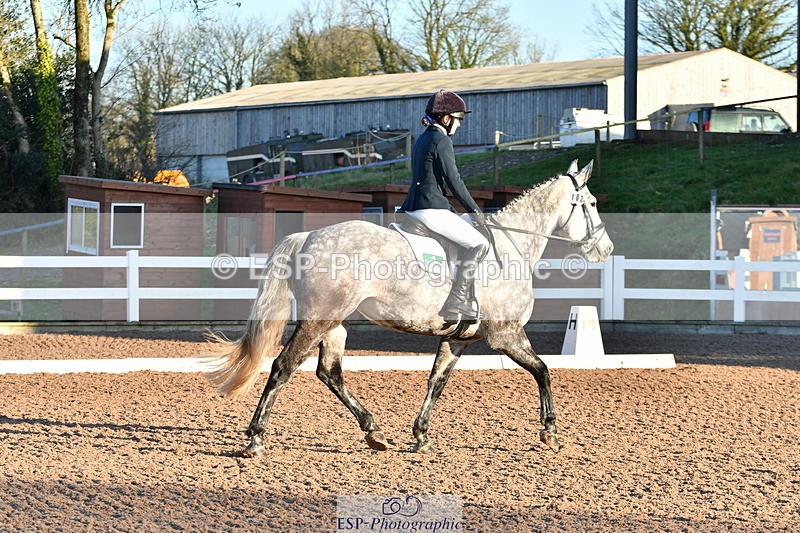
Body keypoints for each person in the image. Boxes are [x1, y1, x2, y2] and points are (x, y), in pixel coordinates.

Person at [399, 89, 490, 321]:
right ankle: (457, 300)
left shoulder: (423, 138)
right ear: (447, 118)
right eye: (459, 120)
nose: (460, 125)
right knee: (479, 243)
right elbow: (454, 180)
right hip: (430, 209)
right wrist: (475, 211)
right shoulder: (442, 140)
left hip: (415, 205)